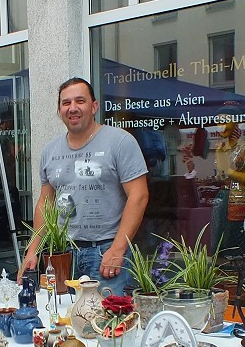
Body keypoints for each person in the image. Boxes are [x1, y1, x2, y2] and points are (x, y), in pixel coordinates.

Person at [19, 77, 148, 294]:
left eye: (80, 101)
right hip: (63, 255)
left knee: (108, 322)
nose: (73, 108)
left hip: (105, 253)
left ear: (94, 106)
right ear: (59, 110)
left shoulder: (119, 142)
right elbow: (45, 202)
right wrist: (33, 250)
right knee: (64, 322)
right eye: (66, 103)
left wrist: (118, 249)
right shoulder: (50, 150)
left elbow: (139, 196)